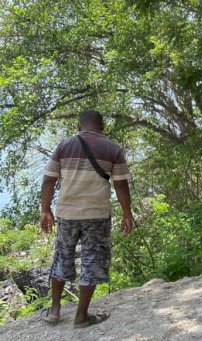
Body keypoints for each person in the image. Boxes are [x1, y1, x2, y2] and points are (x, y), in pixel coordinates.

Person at [39, 110, 133, 328]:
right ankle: (81, 317)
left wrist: (45, 209)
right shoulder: (113, 148)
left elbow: (49, 180)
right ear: (103, 127)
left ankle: (54, 312)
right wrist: (127, 214)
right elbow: (120, 184)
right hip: (97, 215)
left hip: (67, 214)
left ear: (78, 126)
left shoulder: (64, 145)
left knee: (62, 258)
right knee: (92, 262)